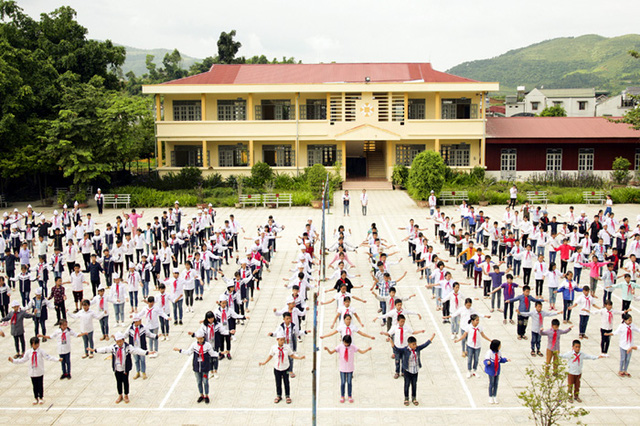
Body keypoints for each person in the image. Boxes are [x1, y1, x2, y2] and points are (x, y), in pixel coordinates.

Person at [89, 332, 154, 403]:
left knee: (125, 382)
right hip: (117, 368)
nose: (119, 343)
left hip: (125, 368)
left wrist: (147, 352)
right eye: (117, 342)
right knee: (118, 382)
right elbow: (105, 349)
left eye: (120, 341)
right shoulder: (114, 348)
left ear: (123, 340)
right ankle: (120, 395)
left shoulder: (127, 347)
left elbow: (137, 351)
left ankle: (126, 395)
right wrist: (95, 350)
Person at [7, 336, 61, 405]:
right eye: (35, 344)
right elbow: (22, 360)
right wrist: (13, 361)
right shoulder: (29, 352)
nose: (37, 345)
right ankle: (36, 397)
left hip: (39, 371)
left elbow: (48, 357)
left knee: (40, 385)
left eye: (38, 343)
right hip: (32, 372)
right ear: (32, 344)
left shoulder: (41, 351)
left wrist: (57, 359)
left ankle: (41, 397)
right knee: (34, 385)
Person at [259, 329, 305, 404]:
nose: (282, 341)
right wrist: (264, 362)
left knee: (286, 382)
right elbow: (270, 356)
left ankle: (287, 396)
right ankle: (279, 395)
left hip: (285, 368)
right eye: (281, 340)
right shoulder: (274, 348)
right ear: (277, 339)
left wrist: (299, 358)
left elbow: (291, 355)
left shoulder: (287, 347)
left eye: (283, 340)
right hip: (277, 368)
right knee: (278, 382)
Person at [324, 335, 371, 403]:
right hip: (342, 368)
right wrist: (327, 349)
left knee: (349, 382)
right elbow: (331, 352)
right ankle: (342, 396)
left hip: (350, 368)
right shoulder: (340, 346)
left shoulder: (352, 347)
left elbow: (361, 351)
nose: (345, 344)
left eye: (347, 343)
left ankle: (349, 396)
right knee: (343, 382)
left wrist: (367, 349)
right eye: (344, 343)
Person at [174, 329, 217, 403]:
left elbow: (212, 353)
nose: (200, 340)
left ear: (204, 338)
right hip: (197, 367)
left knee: (205, 381)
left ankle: (206, 395)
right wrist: (179, 350)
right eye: (198, 339)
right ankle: (201, 394)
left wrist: (220, 353)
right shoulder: (194, 345)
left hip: (205, 367)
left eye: (201, 338)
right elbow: (188, 352)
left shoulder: (207, 345)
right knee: (199, 382)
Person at [397, 334, 436, 406]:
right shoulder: (406, 350)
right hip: (408, 370)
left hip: (415, 370)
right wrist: (391, 343)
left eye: (415, 344)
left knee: (414, 384)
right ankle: (406, 398)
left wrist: (431, 338)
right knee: (407, 384)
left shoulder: (417, 349)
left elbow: (424, 345)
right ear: (409, 344)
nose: (415, 346)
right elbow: (397, 349)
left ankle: (414, 398)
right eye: (413, 344)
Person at [605, 313, 640, 377]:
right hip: (623, 345)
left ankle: (625, 370)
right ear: (625, 320)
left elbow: (638, 330)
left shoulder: (632, 325)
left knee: (628, 359)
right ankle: (620, 370)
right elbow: (616, 332)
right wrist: (609, 334)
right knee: (623, 358)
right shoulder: (621, 326)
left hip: (630, 345)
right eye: (629, 320)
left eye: (631, 320)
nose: (630, 321)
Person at [483, 339, 510, 404]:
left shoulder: (499, 352)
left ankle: (494, 396)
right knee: (491, 383)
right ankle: (490, 397)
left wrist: (506, 360)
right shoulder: (489, 352)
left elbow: (500, 359)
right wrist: (487, 362)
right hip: (491, 370)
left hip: (497, 370)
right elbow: (485, 361)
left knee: (496, 384)